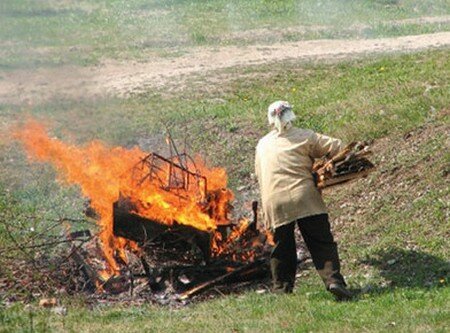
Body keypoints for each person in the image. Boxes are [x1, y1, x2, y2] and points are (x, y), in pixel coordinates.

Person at [254, 100, 352, 300]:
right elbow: (338, 147)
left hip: (274, 201)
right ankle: (334, 281)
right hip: (304, 196)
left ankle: (282, 290)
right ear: (291, 115)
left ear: (270, 119)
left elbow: (259, 174)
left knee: (281, 248)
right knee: (320, 242)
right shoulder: (305, 136)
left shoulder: (262, 144)